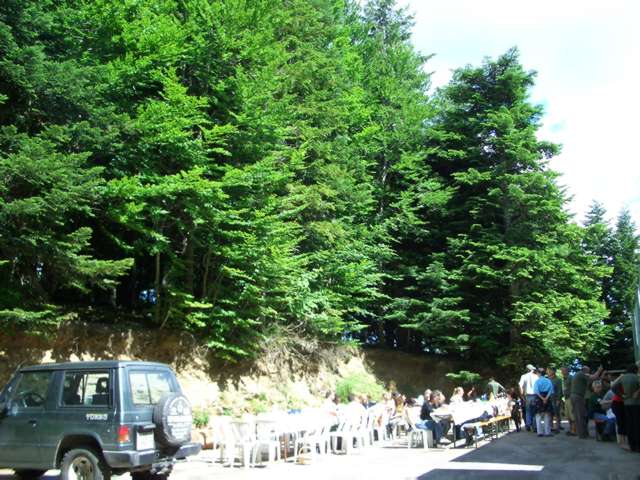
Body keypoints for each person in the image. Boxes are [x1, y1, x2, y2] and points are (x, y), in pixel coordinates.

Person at [612, 364, 640, 452]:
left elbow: (614, 387)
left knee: (630, 424)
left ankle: (632, 445)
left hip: (626, 403)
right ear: (636, 370)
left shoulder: (623, 378)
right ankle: (638, 445)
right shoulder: (636, 377)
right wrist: (637, 392)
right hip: (636, 404)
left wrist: (622, 395)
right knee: (637, 424)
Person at [571, 364, 603, 439]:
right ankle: (582, 435)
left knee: (579, 415)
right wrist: (599, 370)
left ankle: (582, 433)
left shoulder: (579, 375)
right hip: (578, 397)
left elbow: (592, 379)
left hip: (576, 396)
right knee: (580, 416)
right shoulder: (581, 374)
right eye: (588, 371)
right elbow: (594, 377)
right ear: (585, 371)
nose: (589, 373)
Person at [533, 369, 554, 437]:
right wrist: (546, 398)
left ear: (539, 373)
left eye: (537, 373)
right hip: (547, 397)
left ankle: (539, 432)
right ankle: (547, 432)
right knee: (547, 415)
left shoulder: (537, 381)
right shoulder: (548, 381)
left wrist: (542, 398)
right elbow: (551, 390)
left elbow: (536, 391)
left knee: (538, 415)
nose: (537, 374)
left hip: (539, 398)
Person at [518, 364, 539, 432]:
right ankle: (535, 426)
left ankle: (528, 425)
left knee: (528, 411)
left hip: (527, 396)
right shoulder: (536, 376)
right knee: (535, 411)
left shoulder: (523, 376)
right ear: (532, 369)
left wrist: (521, 395)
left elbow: (520, 385)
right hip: (535, 395)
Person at [561, 366, 576, 436]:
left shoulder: (571, 378)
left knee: (572, 415)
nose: (562, 372)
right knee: (568, 415)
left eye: (563, 370)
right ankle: (571, 429)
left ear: (567, 371)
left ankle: (574, 430)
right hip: (566, 398)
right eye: (561, 370)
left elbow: (573, 388)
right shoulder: (564, 378)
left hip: (570, 398)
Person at [548, 367, 563, 432]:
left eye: (550, 371)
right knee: (550, 413)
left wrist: (558, 399)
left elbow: (560, 390)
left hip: (555, 398)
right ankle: (551, 427)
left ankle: (558, 427)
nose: (548, 372)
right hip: (549, 399)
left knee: (556, 413)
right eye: (548, 371)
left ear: (554, 371)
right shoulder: (547, 379)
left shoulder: (558, 380)